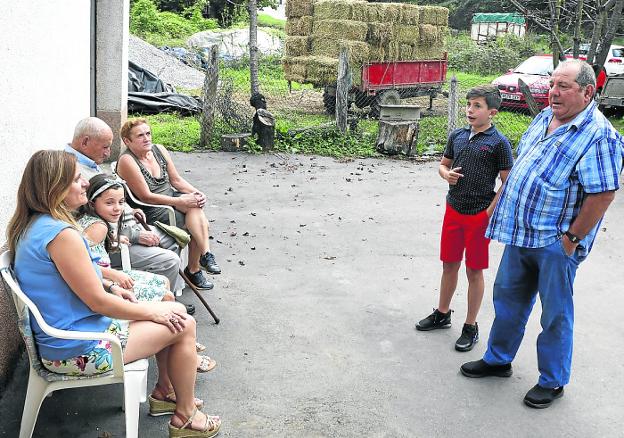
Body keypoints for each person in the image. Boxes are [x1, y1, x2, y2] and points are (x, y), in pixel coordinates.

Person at [7, 150, 221, 436]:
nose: (84, 183)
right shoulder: (61, 235)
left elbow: (73, 282)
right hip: (79, 347)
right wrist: (151, 310)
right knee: (183, 323)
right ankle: (184, 416)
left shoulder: (33, 226)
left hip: (67, 335)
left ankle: (165, 392)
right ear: (54, 187)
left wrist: (110, 285)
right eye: (75, 179)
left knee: (172, 309)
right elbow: (97, 302)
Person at [460, 59, 624, 408]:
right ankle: (498, 359)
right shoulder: (542, 118)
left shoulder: (599, 134)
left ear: (587, 91)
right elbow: (520, 169)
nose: (553, 92)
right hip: (521, 233)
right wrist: (494, 213)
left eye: (563, 86)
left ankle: (552, 381)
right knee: (507, 302)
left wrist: (570, 242)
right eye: (552, 84)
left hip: (556, 243)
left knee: (555, 315)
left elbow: (603, 194)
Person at [77, 174, 216, 372]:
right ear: (92, 203)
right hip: (102, 286)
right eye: (109, 203)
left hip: (103, 282)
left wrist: (117, 241)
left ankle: (182, 343)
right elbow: (82, 264)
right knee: (166, 297)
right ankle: (183, 346)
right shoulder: (97, 227)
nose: (117, 208)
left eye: (121, 202)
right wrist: (113, 276)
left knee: (164, 288)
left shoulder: (99, 222)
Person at [415, 85, 513, 352]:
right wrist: (445, 174)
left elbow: (507, 183)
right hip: (453, 211)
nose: (470, 110)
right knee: (449, 264)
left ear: (492, 112)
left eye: (477, 106)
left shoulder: (499, 143)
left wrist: (488, 213)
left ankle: (471, 326)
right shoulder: (457, 136)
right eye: (468, 105)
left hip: (479, 216)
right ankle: (442, 313)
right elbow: (443, 164)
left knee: (474, 270)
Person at [65, 118, 199, 312]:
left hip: (125, 227)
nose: (108, 153)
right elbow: (90, 240)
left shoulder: (90, 163)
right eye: (104, 147)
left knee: (172, 238)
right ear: (85, 142)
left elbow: (110, 198)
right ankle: (162, 304)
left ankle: (171, 297)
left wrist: (129, 207)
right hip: (117, 241)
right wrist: (133, 236)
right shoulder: (73, 170)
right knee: (169, 259)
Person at [116, 118, 221, 291]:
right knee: (196, 220)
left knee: (195, 207)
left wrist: (196, 193)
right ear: (128, 141)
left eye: (148, 133)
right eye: (140, 135)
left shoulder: (159, 150)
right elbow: (146, 196)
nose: (146, 138)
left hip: (171, 200)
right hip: (151, 209)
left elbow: (176, 180)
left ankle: (205, 256)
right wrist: (180, 200)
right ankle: (195, 268)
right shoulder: (127, 160)